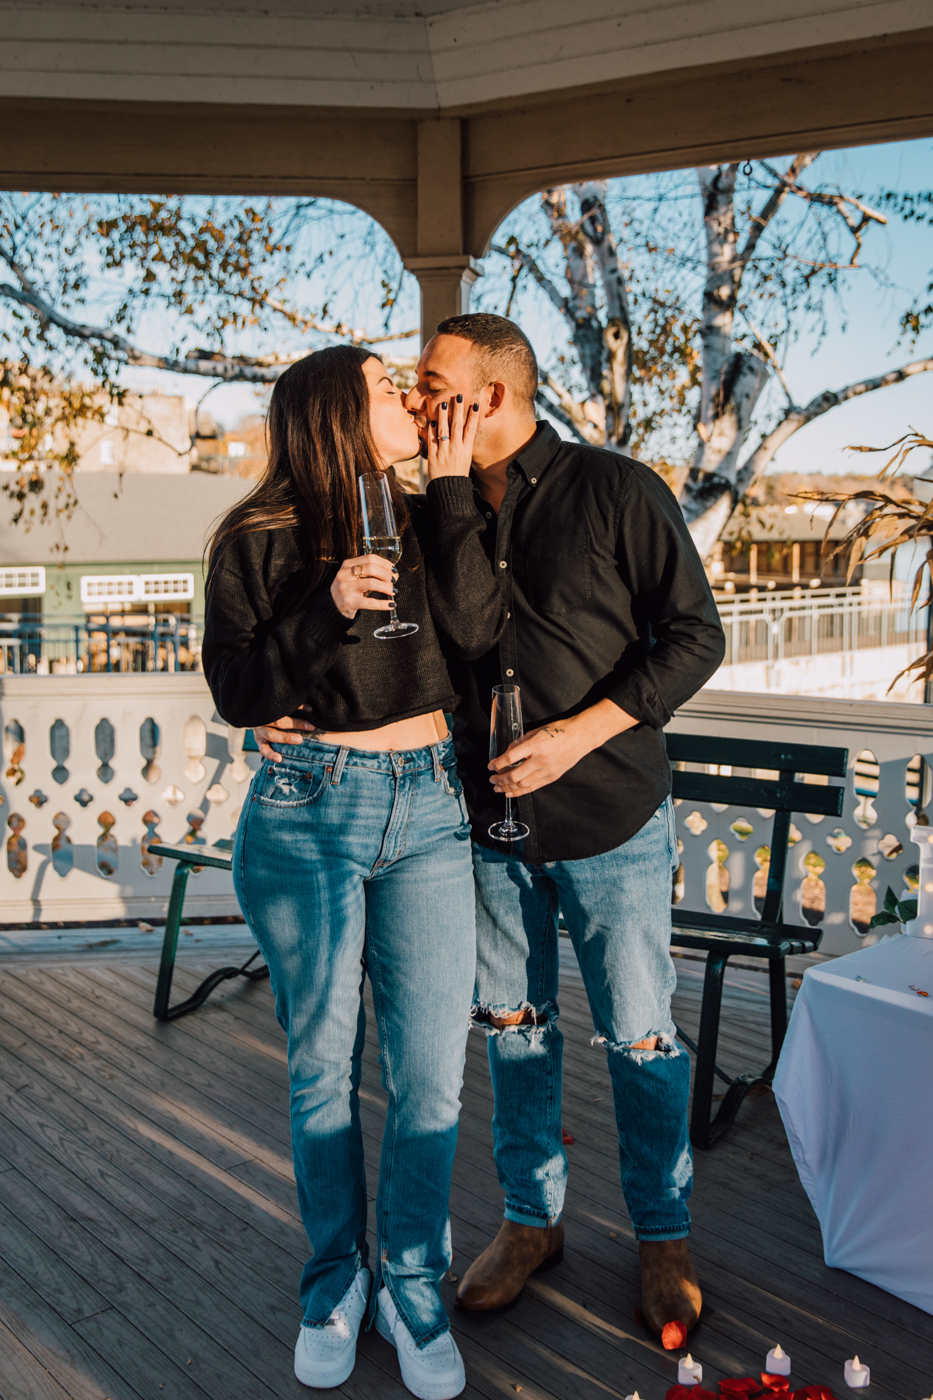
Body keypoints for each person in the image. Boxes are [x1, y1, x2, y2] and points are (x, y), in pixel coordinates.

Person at [254, 314, 726, 1339]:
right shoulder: (421, 509)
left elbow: (697, 637)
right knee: (514, 1027)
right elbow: (382, 643)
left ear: (492, 399)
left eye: (431, 382)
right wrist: (271, 704)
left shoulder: (619, 490)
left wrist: (575, 738)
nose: (417, 400)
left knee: (642, 1033)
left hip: (609, 816)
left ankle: (665, 1239)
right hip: (472, 822)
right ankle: (529, 1222)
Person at [202, 345, 505, 1399]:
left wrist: (459, 489)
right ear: (335, 409)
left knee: (429, 1069)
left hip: (428, 807)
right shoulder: (256, 537)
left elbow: (472, 629)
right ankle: (334, 1279)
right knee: (320, 1067)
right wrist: (322, 604)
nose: (411, 396)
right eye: (388, 382)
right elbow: (240, 687)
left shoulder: (432, 511)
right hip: (309, 811)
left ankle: (410, 1282)